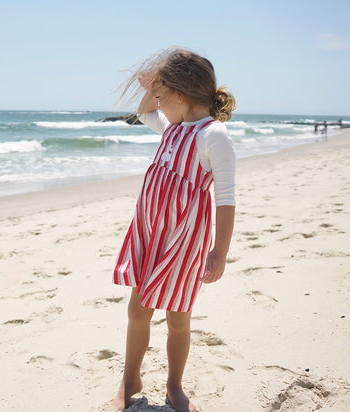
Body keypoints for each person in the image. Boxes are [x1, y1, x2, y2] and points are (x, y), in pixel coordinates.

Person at [111, 47, 236, 412]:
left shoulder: (213, 135)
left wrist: (220, 252)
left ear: (181, 94)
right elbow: (143, 111)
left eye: (164, 96)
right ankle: (130, 378)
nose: (158, 104)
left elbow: (225, 199)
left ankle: (174, 386)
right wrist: (154, 85)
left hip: (184, 241)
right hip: (151, 233)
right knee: (138, 311)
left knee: (178, 319)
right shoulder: (170, 127)